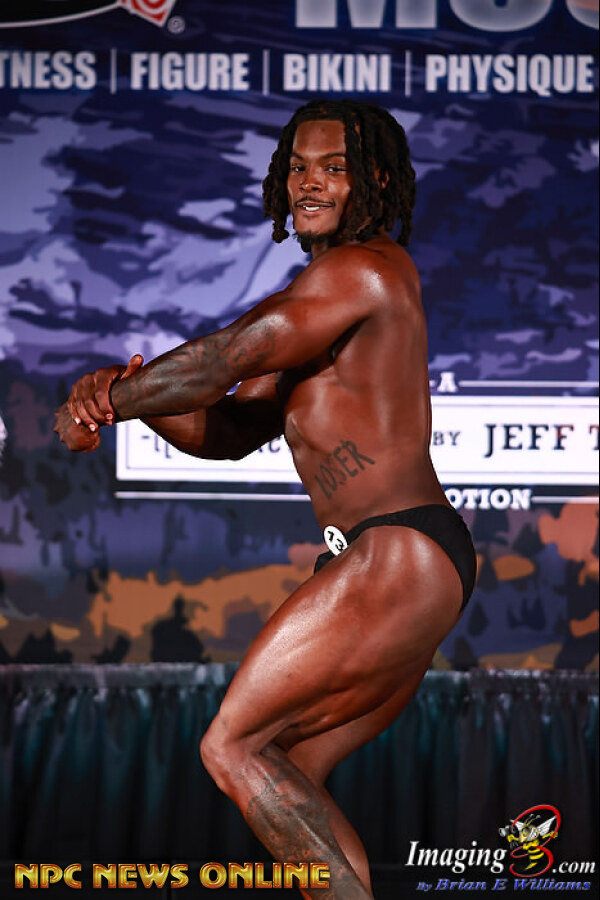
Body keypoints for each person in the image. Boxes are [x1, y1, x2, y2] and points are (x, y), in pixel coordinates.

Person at [55, 99, 477, 899]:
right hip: (411, 559)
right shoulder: (322, 297)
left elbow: (224, 358)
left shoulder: (361, 270)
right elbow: (229, 428)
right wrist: (118, 396)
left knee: (232, 746)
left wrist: (109, 401)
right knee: (284, 770)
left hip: (397, 548)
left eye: (333, 168)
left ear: (377, 181)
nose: (308, 183)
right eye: (298, 168)